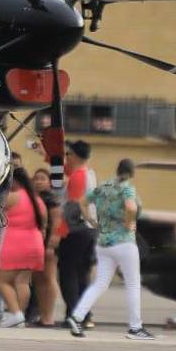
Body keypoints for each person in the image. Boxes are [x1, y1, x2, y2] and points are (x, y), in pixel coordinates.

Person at [67, 159, 154, 340]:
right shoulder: (127, 188)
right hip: (124, 242)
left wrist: (90, 219)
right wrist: (129, 224)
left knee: (100, 283)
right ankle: (135, 328)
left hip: (103, 242)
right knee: (132, 284)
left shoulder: (104, 187)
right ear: (131, 173)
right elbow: (131, 206)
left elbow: (82, 201)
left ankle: (77, 317)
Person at [0, 167, 47, 328]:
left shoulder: (13, 197)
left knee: (1, 279)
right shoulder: (38, 200)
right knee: (22, 281)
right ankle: (19, 316)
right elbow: (44, 225)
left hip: (16, 243)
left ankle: (15, 314)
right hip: (35, 244)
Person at [58, 140, 98, 326]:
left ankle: (74, 315)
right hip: (89, 230)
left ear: (75, 156)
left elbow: (72, 207)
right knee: (82, 274)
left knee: (68, 273)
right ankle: (85, 315)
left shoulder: (78, 177)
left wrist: (59, 233)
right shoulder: (90, 174)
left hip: (75, 230)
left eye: (68, 154)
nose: (66, 158)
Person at [27, 167, 62, 326]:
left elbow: (57, 221)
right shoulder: (33, 198)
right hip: (35, 243)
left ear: (49, 182)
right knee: (38, 279)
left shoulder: (51, 198)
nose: (39, 181)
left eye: (43, 178)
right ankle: (43, 316)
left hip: (47, 244)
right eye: (36, 178)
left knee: (49, 278)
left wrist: (53, 240)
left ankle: (49, 316)